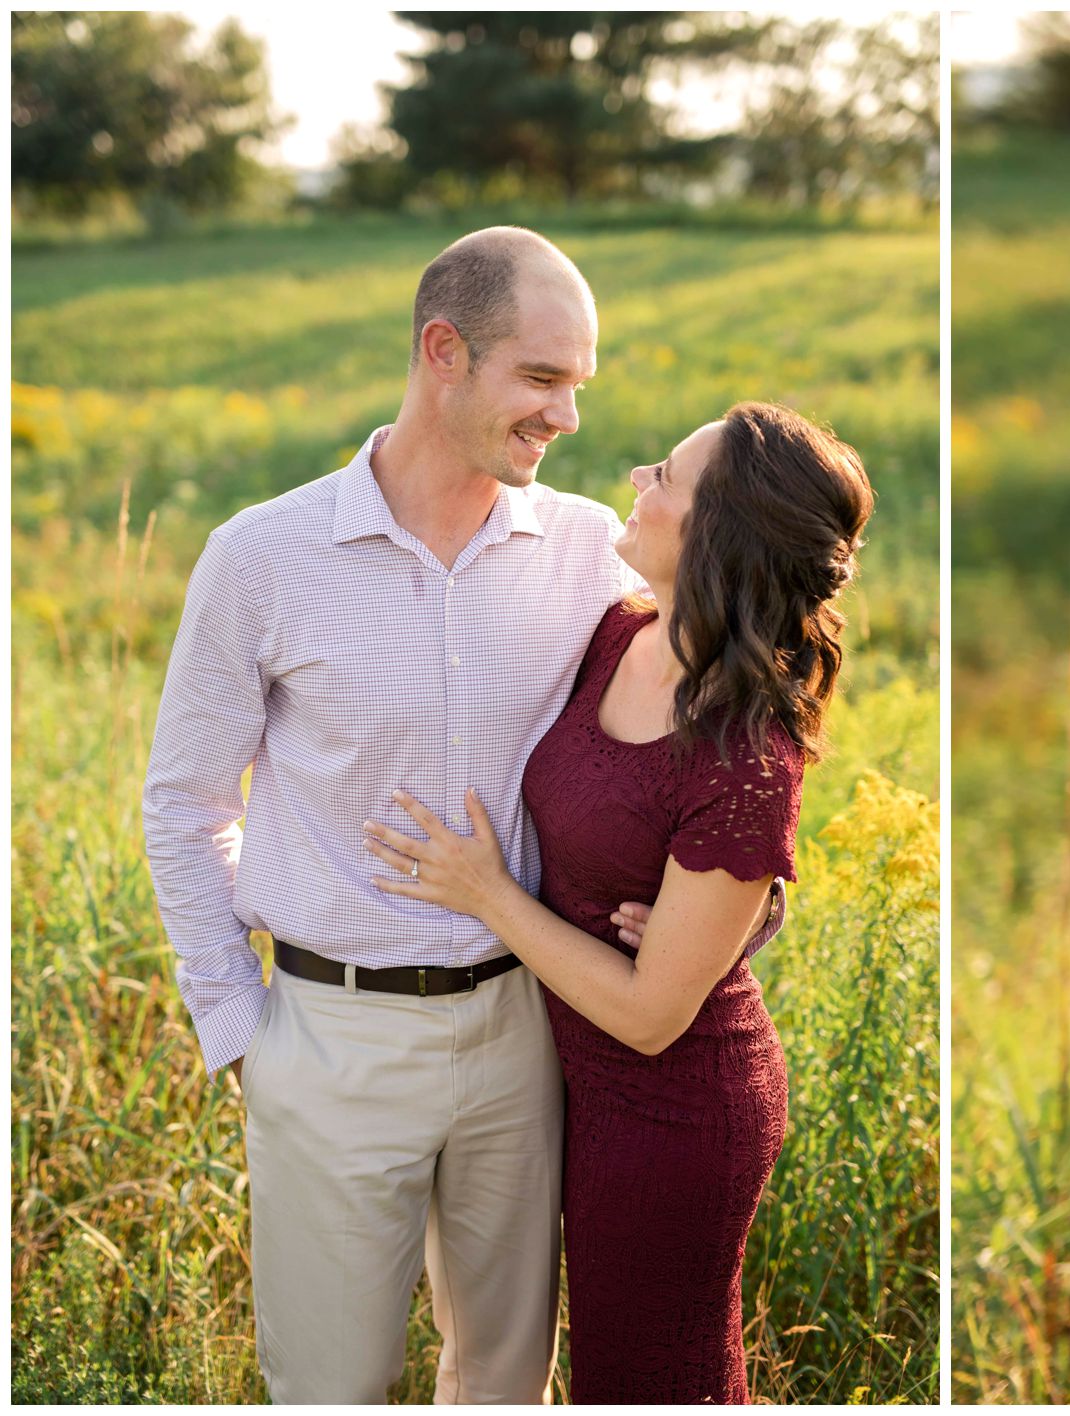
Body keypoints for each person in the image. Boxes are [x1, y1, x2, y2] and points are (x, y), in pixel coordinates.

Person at [144, 227, 627, 1402]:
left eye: (580, 386)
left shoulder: (593, 550)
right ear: (442, 352)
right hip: (328, 1039)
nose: (567, 418)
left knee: (506, 1383)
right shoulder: (261, 556)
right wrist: (242, 1033)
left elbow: (678, 750)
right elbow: (185, 802)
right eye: (542, 379)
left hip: (524, 1035)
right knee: (331, 1387)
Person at [371, 401, 873, 1403]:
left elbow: (651, 1015)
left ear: (715, 532)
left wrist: (486, 892)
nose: (640, 477)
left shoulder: (746, 757)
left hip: (676, 1111)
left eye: (669, 478)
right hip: (567, 1077)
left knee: (649, 1376)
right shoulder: (618, 633)